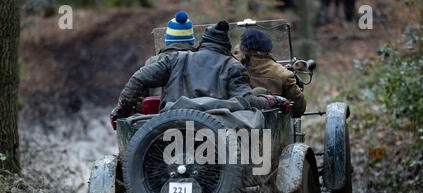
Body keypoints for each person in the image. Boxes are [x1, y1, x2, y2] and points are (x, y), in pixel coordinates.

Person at [110, 21, 292, 128]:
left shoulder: (175, 59)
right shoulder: (233, 67)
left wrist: (122, 107)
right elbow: (245, 102)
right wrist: (272, 100)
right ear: (226, 47)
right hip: (215, 137)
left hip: (169, 129)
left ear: (202, 43)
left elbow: (139, 78)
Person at [237, 28, 307, 117]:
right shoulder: (284, 74)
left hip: (238, 127)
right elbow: (299, 109)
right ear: (268, 48)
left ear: (243, 48)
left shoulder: (234, 70)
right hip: (274, 129)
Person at [145, 10, 196, 96]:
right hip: (194, 108)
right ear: (191, 40)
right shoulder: (200, 60)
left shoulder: (152, 62)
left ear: (167, 39)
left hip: (160, 108)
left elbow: (143, 91)